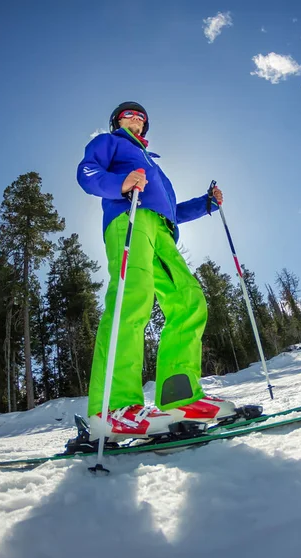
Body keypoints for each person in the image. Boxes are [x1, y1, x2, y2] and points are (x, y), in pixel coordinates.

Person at [77, 101, 235, 441]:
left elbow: (171, 209)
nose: (136, 119)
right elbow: (87, 172)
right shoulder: (111, 143)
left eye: (141, 117)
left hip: (162, 230)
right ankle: (114, 407)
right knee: (132, 298)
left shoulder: (152, 163)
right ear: (117, 121)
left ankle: (180, 397)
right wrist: (120, 182)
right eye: (129, 115)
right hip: (128, 218)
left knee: (188, 300)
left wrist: (207, 204)